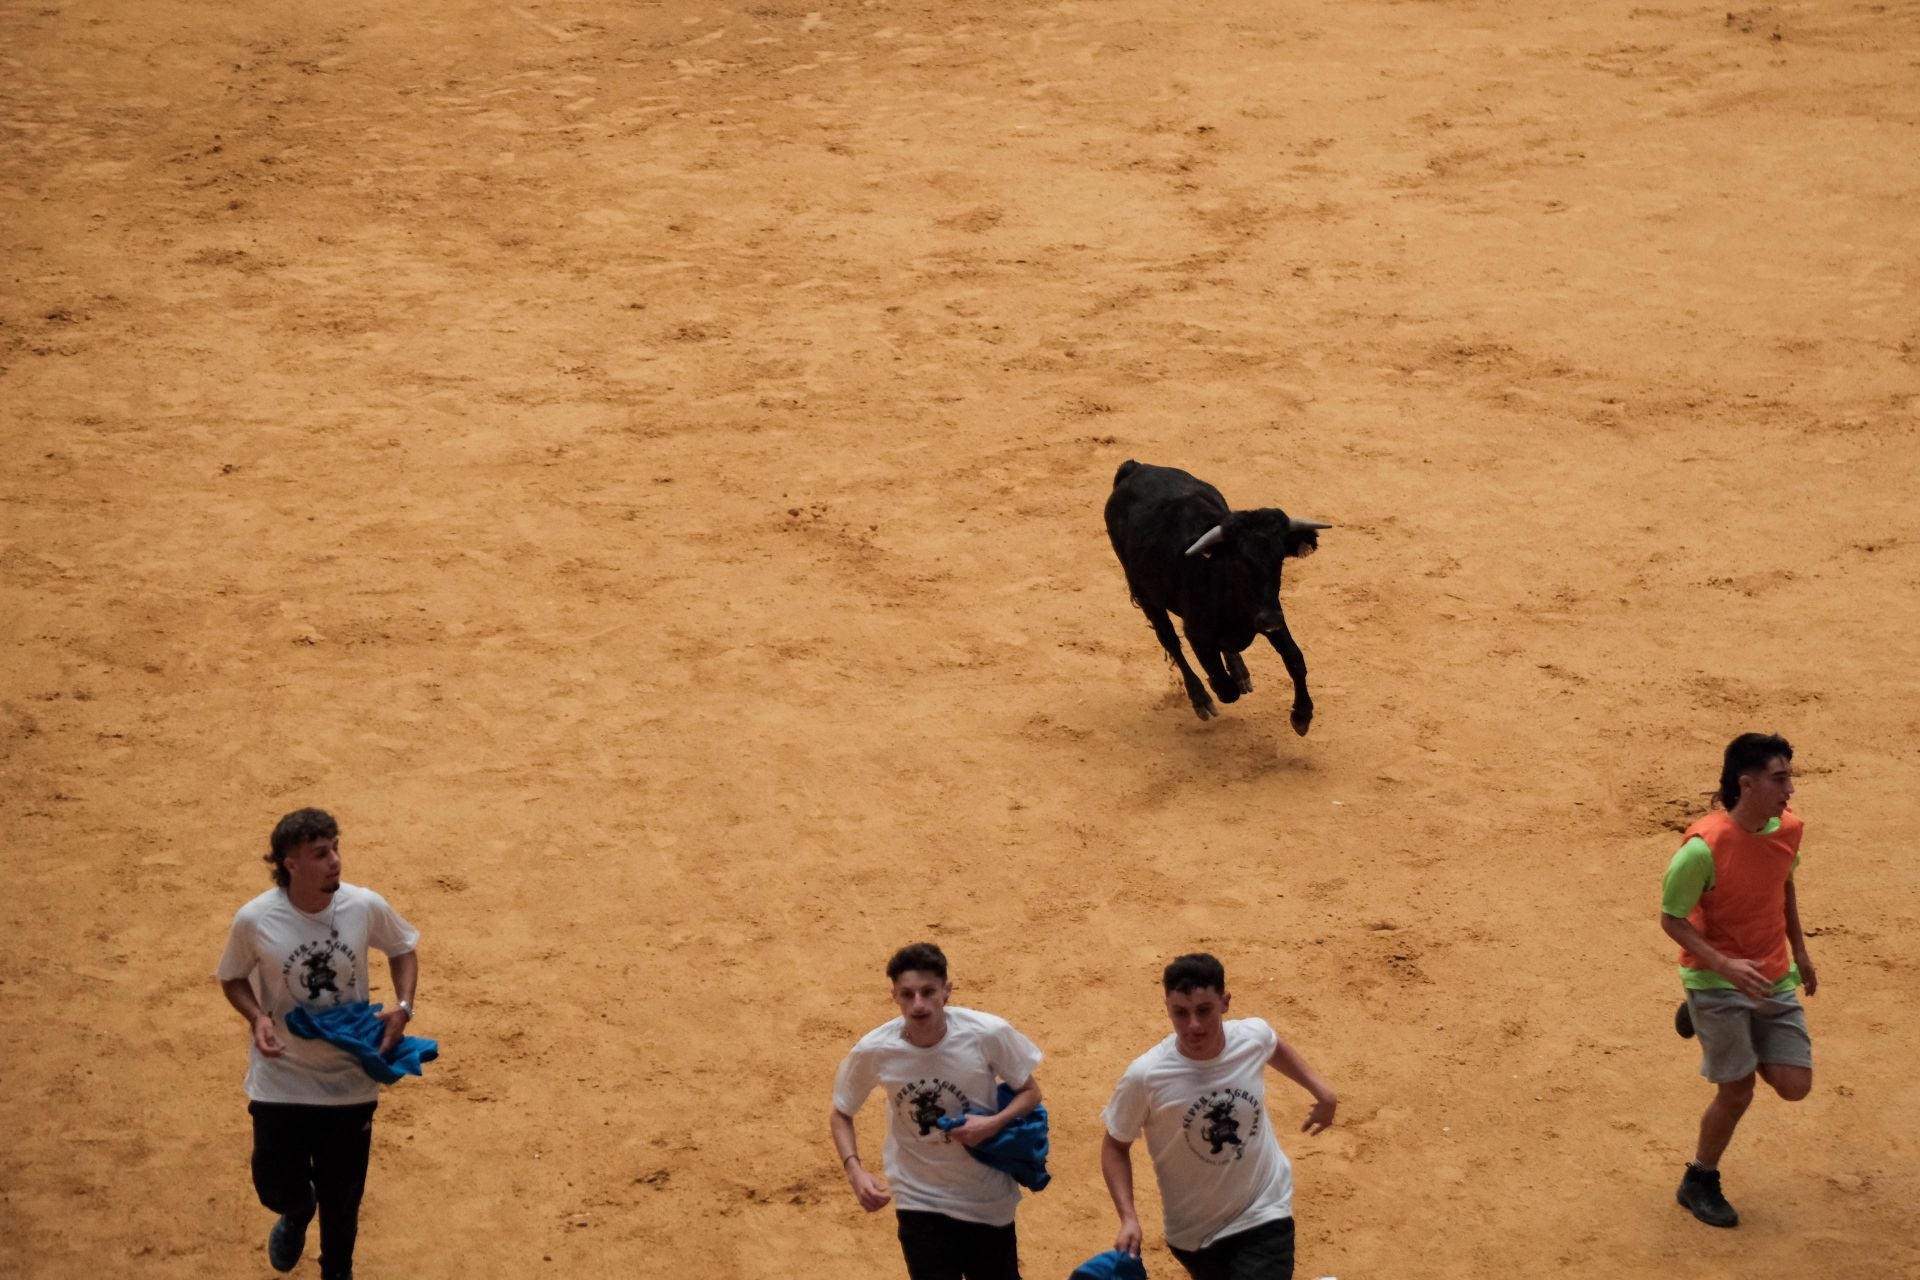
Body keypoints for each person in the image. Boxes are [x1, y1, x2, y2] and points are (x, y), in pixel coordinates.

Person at [216, 808, 422, 1279]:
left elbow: (402, 946)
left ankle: (338, 1271)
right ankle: (296, 1210)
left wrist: (403, 1006)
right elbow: (231, 977)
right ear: (292, 864)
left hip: (349, 1080)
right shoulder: (255, 919)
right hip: (281, 1077)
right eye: (321, 853)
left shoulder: (363, 905)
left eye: (335, 849)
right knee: (274, 1185)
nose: (335, 861)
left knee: (344, 1197)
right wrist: (256, 1018)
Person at [1660, 732, 1817, 1228]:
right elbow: (1672, 919)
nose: (1790, 788)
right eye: (1780, 778)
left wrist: (1802, 951)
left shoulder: (1787, 830)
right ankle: (1699, 1179)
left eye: (1789, 776)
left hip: (1771, 973)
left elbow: (1784, 886)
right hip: (1715, 977)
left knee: (1795, 1086)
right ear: (1746, 785)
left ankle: (1705, 1022)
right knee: (1738, 1089)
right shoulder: (1701, 850)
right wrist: (1724, 966)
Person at [1099, 953, 1337, 1280]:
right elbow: (1115, 1146)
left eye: (1204, 1010)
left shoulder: (1251, 1036)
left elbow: (1271, 1044)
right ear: (1166, 1007)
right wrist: (1128, 1217)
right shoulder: (1146, 1077)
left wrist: (1321, 1091)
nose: (1193, 1026)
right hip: (1192, 1235)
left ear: (1224, 1003)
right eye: (1180, 1013)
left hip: (1263, 1207)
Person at [829, 942, 1045, 1280]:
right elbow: (841, 1112)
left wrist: (992, 1124)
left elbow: (1031, 1093)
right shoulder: (876, 1050)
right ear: (894, 996)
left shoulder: (986, 1034)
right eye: (907, 994)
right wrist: (855, 1171)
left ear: (947, 991)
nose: (918, 1004)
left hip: (985, 1199)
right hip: (918, 1197)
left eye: (928, 991)